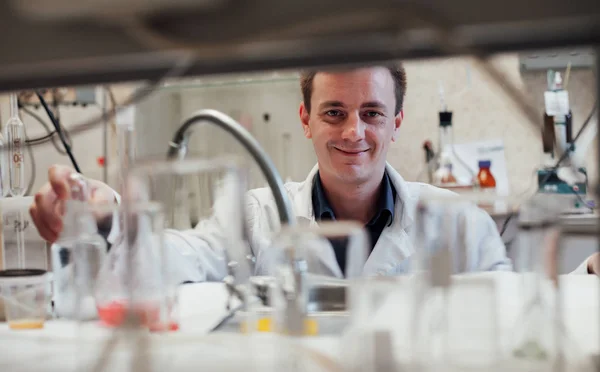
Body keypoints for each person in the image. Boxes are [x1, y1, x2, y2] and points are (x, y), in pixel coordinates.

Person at [32, 65, 515, 283]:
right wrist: (104, 218)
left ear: (397, 122)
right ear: (305, 120)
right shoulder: (255, 215)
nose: (354, 132)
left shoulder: (455, 220)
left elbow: (518, 303)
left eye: (372, 113)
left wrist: (591, 274)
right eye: (333, 113)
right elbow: (174, 256)